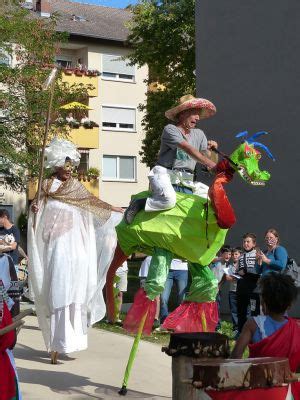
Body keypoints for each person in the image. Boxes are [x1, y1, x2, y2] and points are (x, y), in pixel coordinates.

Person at [28, 138, 123, 364]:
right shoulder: (47, 187)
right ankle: (56, 342)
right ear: (57, 164)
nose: (70, 171)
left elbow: (91, 202)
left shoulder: (76, 188)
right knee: (58, 289)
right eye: (66, 166)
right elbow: (37, 211)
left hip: (76, 247)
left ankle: (69, 341)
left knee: (75, 290)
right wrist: (35, 207)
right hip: (57, 246)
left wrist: (112, 209)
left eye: (72, 166)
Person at [125, 94, 218, 223]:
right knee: (168, 200)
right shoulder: (170, 129)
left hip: (187, 180)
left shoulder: (199, 134)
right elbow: (187, 148)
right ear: (182, 114)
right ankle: (139, 203)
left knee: (210, 201)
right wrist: (211, 163)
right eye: (194, 113)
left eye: (199, 114)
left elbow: (207, 158)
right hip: (165, 175)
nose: (197, 117)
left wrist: (213, 151)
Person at [231, 272, 300, 399]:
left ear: (263, 303)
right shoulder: (297, 328)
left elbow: (235, 356)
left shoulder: (253, 324)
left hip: (256, 389)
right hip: (286, 392)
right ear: (289, 305)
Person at [236, 233, 260, 334]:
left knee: (254, 312)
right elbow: (238, 270)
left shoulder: (257, 254)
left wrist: (245, 271)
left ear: (254, 244)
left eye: (248, 242)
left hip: (253, 287)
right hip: (241, 287)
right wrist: (237, 271)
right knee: (241, 312)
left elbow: (259, 269)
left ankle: (255, 334)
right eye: (244, 242)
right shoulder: (241, 256)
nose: (246, 244)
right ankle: (241, 333)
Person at [159, 258, 189, 328]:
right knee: (163, 298)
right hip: (167, 269)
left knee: (182, 299)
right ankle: (163, 324)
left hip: (182, 270)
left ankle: (179, 323)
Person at [210, 246, 232, 331]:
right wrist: (220, 258)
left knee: (216, 307)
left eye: (229, 254)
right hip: (209, 287)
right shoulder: (216, 260)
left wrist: (219, 286)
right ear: (221, 254)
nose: (228, 256)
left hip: (218, 289)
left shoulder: (228, 265)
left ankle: (217, 326)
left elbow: (225, 278)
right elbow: (211, 260)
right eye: (225, 254)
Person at [139, 256, 160, 328]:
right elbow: (136, 255)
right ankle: (142, 318)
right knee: (144, 296)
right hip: (145, 273)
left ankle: (155, 318)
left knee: (156, 296)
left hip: (156, 274)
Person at [225, 247, 242, 337]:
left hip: (241, 291)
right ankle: (235, 328)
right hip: (232, 291)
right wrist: (236, 277)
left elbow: (243, 276)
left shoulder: (243, 265)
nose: (234, 256)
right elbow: (228, 277)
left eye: (236, 254)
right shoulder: (230, 266)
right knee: (234, 310)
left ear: (240, 255)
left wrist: (235, 277)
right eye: (233, 254)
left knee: (242, 310)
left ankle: (242, 329)